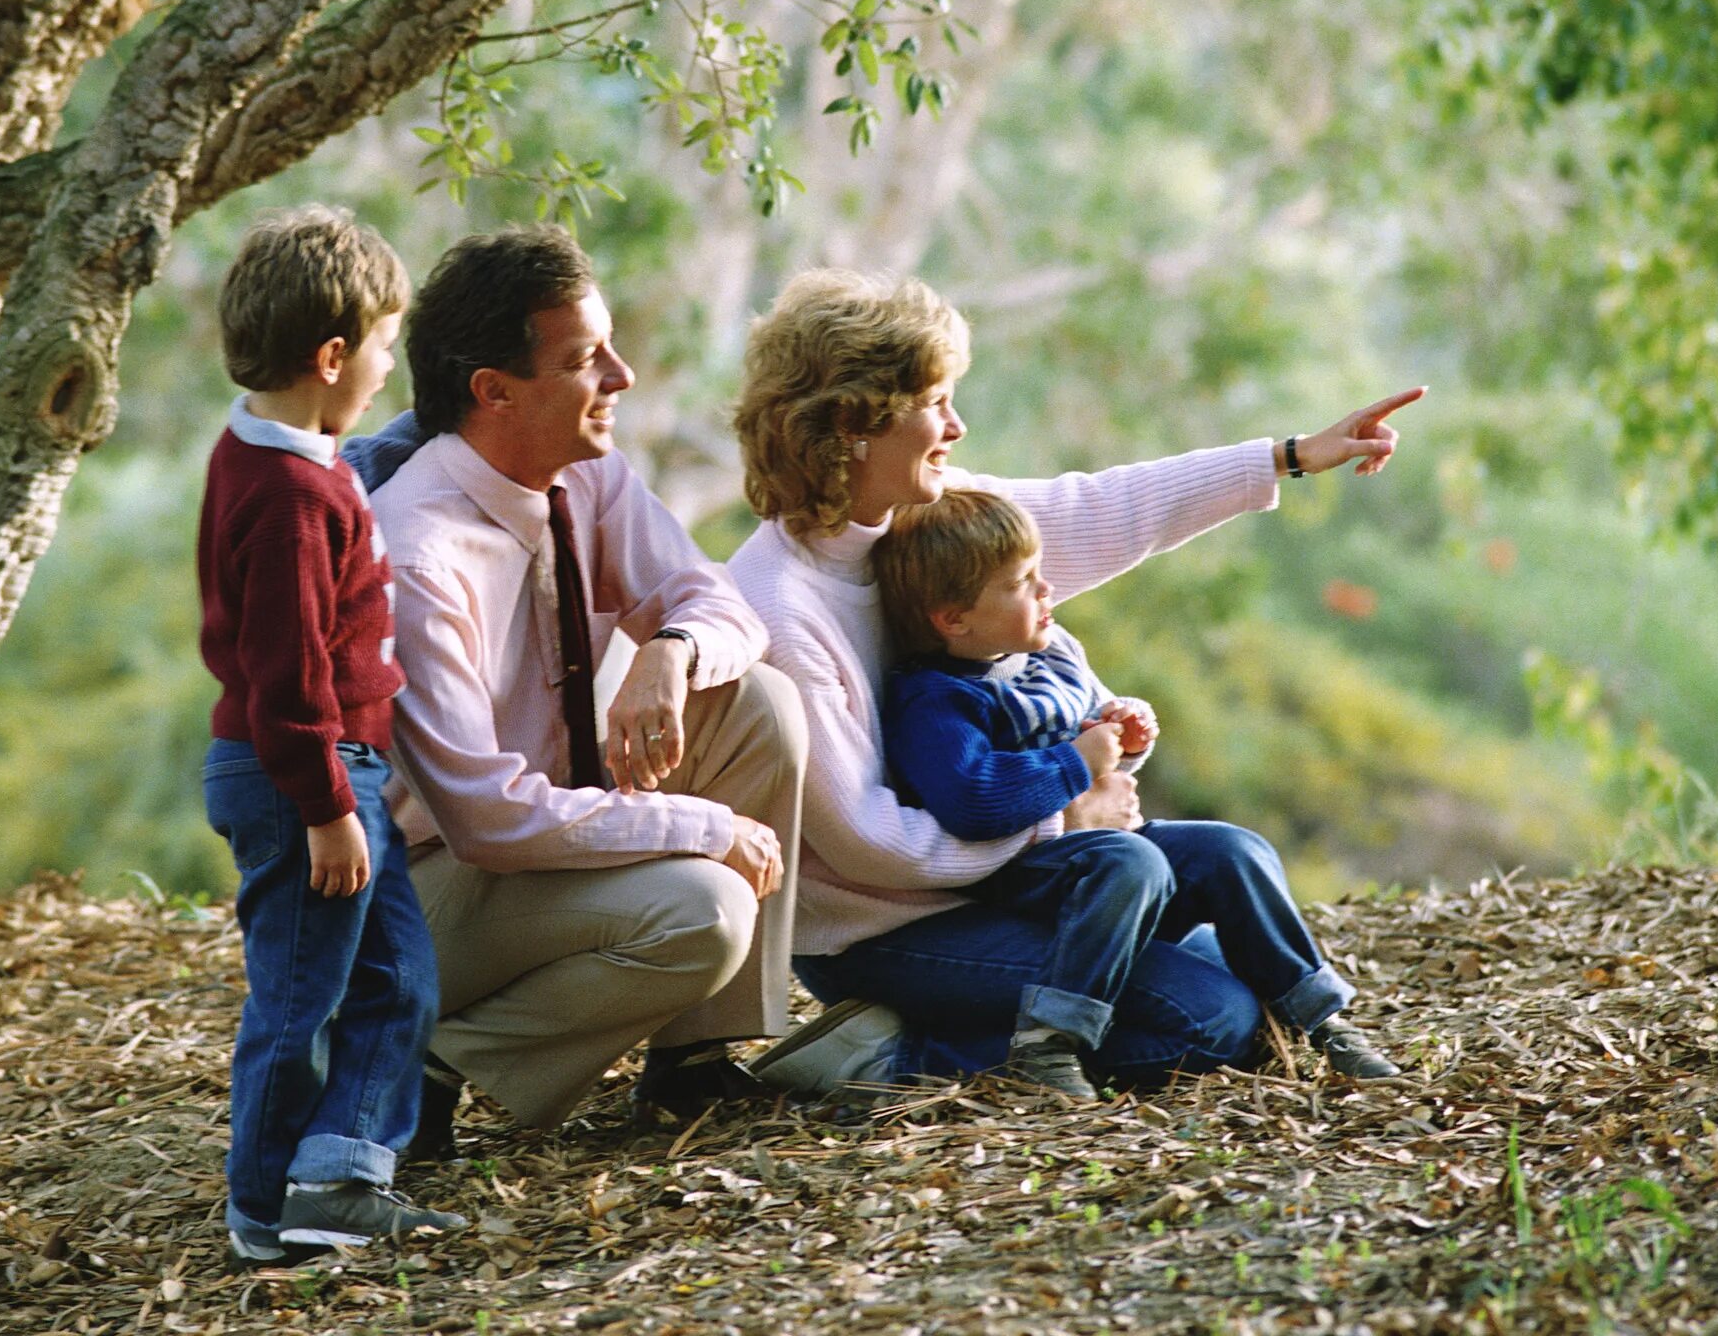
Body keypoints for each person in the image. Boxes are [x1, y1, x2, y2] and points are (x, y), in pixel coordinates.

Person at [730, 268, 1421, 1097]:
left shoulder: (926, 511)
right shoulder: (780, 604)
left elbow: (1097, 508)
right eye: (934, 402)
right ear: (852, 424)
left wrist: (1290, 457)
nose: (955, 425)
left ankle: (1051, 1002)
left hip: (1015, 880)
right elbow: (871, 841)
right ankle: (890, 1055)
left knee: (1229, 924)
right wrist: (1064, 815)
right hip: (888, 930)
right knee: (1213, 1022)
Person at [363, 225, 807, 1145]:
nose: (621, 375)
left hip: (531, 843)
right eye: (583, 359)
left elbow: (720, 606)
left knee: (760, 705)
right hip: (427, 891)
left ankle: (695, 1062)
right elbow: (486, 821)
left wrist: (670, 652)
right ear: (493, 391)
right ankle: (430, 1062)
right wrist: (706, 827)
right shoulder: (419, 552)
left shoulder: (584, 475)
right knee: (704, 909)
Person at [870, 487, 1399, 1092]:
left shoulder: (1041, 659)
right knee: (1133, 863)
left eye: (1040, 573)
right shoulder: (935, 699)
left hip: (1093, 856)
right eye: (1020, 583)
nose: (1046, 592)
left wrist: (1119, 734)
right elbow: (972, 799)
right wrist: (1077, 760)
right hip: (1010, 880)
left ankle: (1320, 1017)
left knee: (1233, 851)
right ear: (953, 618)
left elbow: (1087, 751)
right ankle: (1047, 1044)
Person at [195, 208, 467, 1267]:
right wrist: (326, 809)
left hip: (333, 774)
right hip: (301, 779)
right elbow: (287, 674)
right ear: (333, 356)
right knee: (300, 998)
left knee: (399, 980)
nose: (389, 373)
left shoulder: (276, 447)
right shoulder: (292, 495)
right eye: (387, 349)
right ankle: (264, 1207)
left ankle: (341, 1176)